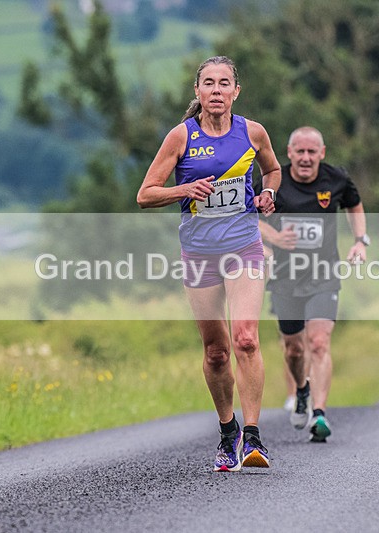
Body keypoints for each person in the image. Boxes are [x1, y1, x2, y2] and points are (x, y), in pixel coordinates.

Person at [137, 56, 281, 472]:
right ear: (197, 91)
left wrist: (269, 193)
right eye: (208, 84)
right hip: (199, 255)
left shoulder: (252, 132)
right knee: (217, 352)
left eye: (224, 83)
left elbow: (273, 171)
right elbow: (145, 194)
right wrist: (184, 188)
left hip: (244, 247)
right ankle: (227, 430)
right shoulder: (181, 137)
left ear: (236, 91)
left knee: (247, 339)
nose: (216, 91)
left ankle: (253, 437)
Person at [257, 126, 367, 442]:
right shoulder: (273, 182)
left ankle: (319, 414)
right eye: (299, 152)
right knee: (293, 349)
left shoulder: (337, 179)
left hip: (324, 274)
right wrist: (274, 237)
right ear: (289, 154)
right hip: (285, 277)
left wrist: (360, 240)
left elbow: (354, 205)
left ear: (322, 152)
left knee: (318, 342)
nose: (306, 158)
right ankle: (302, 390)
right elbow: (249, 216)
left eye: (311, 152)